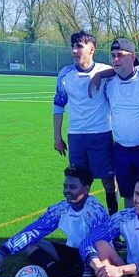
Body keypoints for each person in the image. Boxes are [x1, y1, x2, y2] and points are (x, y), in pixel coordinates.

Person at [0, 166, 109, 277]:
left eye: (72, 187)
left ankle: (71, 276)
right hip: (72, 253)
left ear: (86, 189)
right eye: (65, 186)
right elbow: (35, 230)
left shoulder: (96, 212)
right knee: (31, 245)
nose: (67, 190)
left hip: (95, 257)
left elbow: (102, 246)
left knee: (98, 266)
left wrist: (88, 273)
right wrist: (3, 251)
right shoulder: (62, 208)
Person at [53, 30, 119, 215]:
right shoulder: (65, 74)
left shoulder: (105, 71)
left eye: (79, 46)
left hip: (102, 135)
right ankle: (82, 223)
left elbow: (129, 67)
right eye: (73, 46)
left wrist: (100, 75)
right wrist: (57, 136)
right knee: (78, 183)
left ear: (92, 49)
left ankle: (112, 225)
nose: (74, 51)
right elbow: (58, 105)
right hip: (76, 137)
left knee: (109, 182)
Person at [104, 38, 139, 209]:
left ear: (133, 56)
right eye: (113, 56)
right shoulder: (108, 84)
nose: (116, 60)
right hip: (121, 149)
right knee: (128, 194)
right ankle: (130, 233)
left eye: (120, 55)